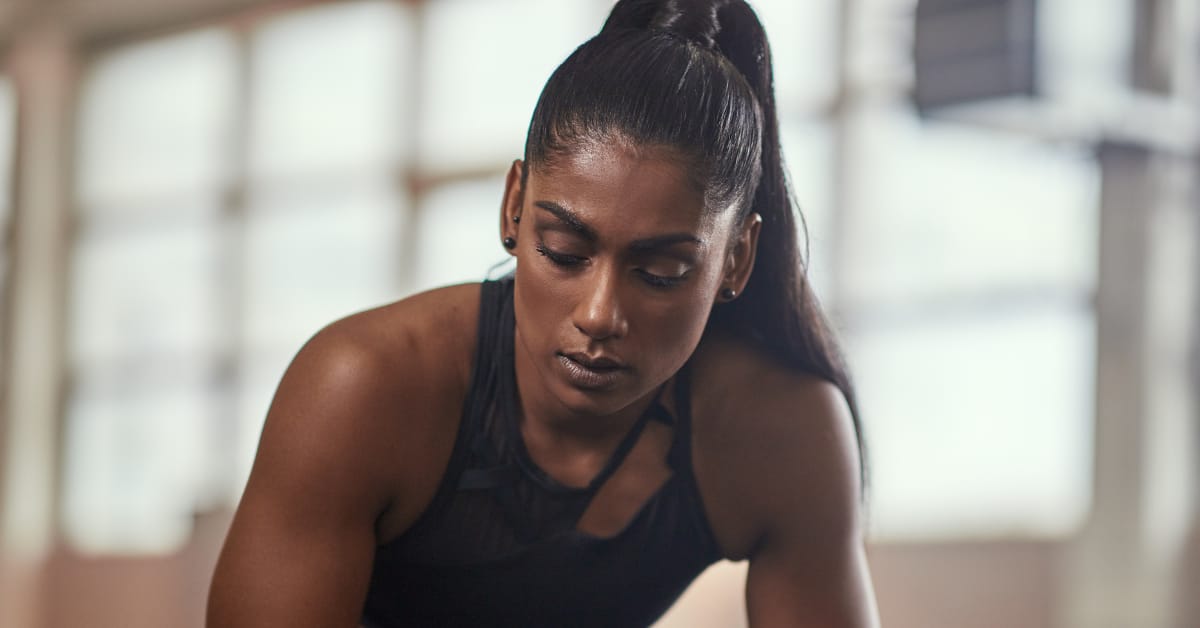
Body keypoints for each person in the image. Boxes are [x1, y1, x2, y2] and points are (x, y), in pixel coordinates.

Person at [207, 0, 879, 626]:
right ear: (514, 207)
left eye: (660, 273)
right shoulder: (364, 387)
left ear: (735, 260)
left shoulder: (782, 435)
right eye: (563, 252)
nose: (598, 314)